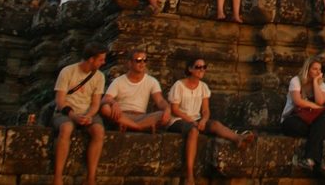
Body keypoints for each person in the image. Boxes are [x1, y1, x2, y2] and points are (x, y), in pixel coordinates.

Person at [168, 55, 255, 185]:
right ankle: (190, 175)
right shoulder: (179, 85)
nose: (201, 69)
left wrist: (203, 120)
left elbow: (205, 110)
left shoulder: (203, 87)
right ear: (190, 69)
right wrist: (192, 121)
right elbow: (174, 109)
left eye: (204, 67)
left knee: (214, 124)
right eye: (198, 67)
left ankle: (237, 138)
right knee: (193, 131)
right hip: (179, 120)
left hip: (197, 119)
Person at [52, 42, 107, 185]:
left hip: (87, 112)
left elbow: (96, 103)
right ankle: (58, 177)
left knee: (99, 131)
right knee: (66, 128)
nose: (103, 62)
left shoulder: (99, 77)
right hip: (66, 112)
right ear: (91, 59)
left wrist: (89, 116)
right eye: (101, 59)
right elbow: (60, 101)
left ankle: (90, 178)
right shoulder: (67, 71)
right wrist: (73, 116)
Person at [99, 48, 170, 131]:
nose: (142, 63)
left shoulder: (152, 81)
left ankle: (130, 126)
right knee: (105, 108)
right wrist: (114, 103)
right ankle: (139, 127)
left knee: (163, 115)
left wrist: (167, 109)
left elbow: (160, 101)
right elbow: (105, 99)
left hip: (141, 117)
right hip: (122, 115)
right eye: (138, 60)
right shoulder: (118, 81)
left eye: (145, 60)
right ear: (130, 63)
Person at [280, 54, 325, 171]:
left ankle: (310, 160)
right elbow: (298, 101)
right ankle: (320, 134)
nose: (318, 72)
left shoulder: (322, 85)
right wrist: (316, 107)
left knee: (321, 122)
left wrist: (316, 83)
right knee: (318, 130)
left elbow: (321, 102)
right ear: (307, 69)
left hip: (311, 121)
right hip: (293, 119)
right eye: (314, 69)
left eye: (320, 69)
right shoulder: (296, 81)